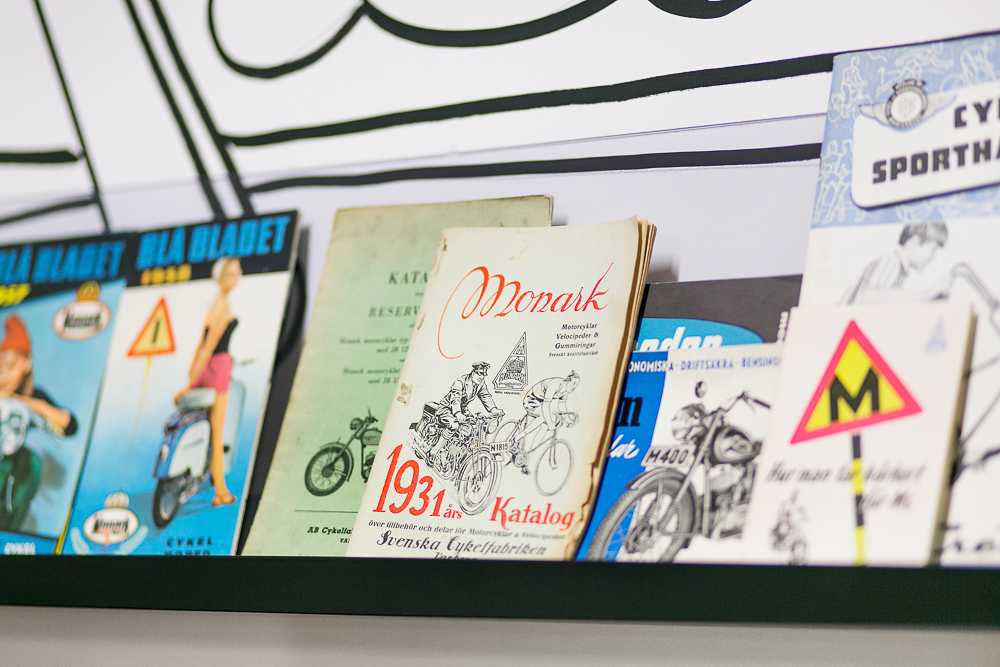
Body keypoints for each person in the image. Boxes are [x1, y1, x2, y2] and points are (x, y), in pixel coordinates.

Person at [0, 315, 77, 531]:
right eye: (0, 367)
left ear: (26, 364)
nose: (4, 375)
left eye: (11, 366)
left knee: (30, 462)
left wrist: (27, 404)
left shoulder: (34, 396)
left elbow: (69, 425)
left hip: (11, 459)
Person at [175, 257, 241, 507]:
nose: (238, 277)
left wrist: (192, 377)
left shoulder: (213, 304)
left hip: (205, 370)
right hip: (218, 369)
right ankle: (220, 492)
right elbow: (210, 347)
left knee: (201, 422)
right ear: (222, 278)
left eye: (237, 272)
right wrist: (188, 385)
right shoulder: (223, 306)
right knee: (217, 435)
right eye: (232, 274)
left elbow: (200, 347)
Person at [841, 222, 950, 304]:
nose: (933, 257)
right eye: (933, 249)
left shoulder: (899, 269)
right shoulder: (892, 260)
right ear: (914, 243)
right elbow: (869, 297)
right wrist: (927, 294)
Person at [428, 362, 504, 459]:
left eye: (484, 375)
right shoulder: (461, 381)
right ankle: (433, 452)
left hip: (463, 410)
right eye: (480, 374)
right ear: (473, 372)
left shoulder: (480, 384)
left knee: (474, 426)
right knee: (454, 425)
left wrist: (494, 409)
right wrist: (458, 413)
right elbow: (455, 398)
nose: (481, 377)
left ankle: (459, 453)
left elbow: (485, 396)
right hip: (447, 408)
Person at [511, 371, 580, 472]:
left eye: (576, 385)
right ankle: (518, 436)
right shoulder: (555, 385)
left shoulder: (564, 391)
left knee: (543, 429)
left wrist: (568, 419)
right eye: (574, 384)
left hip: (540, 402)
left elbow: (562, 408)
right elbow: (546, 405)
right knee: (544, 417)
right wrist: (551, 423)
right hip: (532, 400)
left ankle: (527, 458)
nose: (575, 387)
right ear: (568, 381)